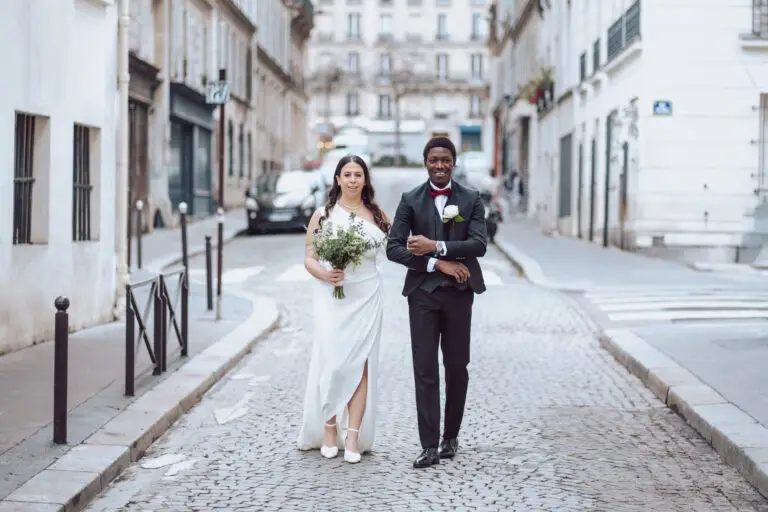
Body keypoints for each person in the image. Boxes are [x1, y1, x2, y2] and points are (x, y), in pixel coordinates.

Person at [386, 137, 487, 469]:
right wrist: (436, 262)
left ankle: (450, 437)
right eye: (434, 160)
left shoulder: (471, 199)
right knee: (425, 369)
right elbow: (394, 248)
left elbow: (478, 245)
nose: (440, 165)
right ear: (425, 162)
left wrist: (437, 246)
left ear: (453, 163)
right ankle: (428, 445)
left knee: (457, 367)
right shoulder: (410, 200)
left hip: (460, 294)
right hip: (422, 295)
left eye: (445, 160)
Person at [297, 155, 390, 464]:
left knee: (360, 364)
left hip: (366, 294)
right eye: (346, 174)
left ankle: (352, 435)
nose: (352, 179)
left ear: (365, 180)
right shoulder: (322, 215)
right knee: (332, 361)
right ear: (337, 179)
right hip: (331, 296)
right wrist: (325, 274)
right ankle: (328, 429)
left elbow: (395, 249)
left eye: (358, 174)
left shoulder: (377, 215)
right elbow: (309, 256)